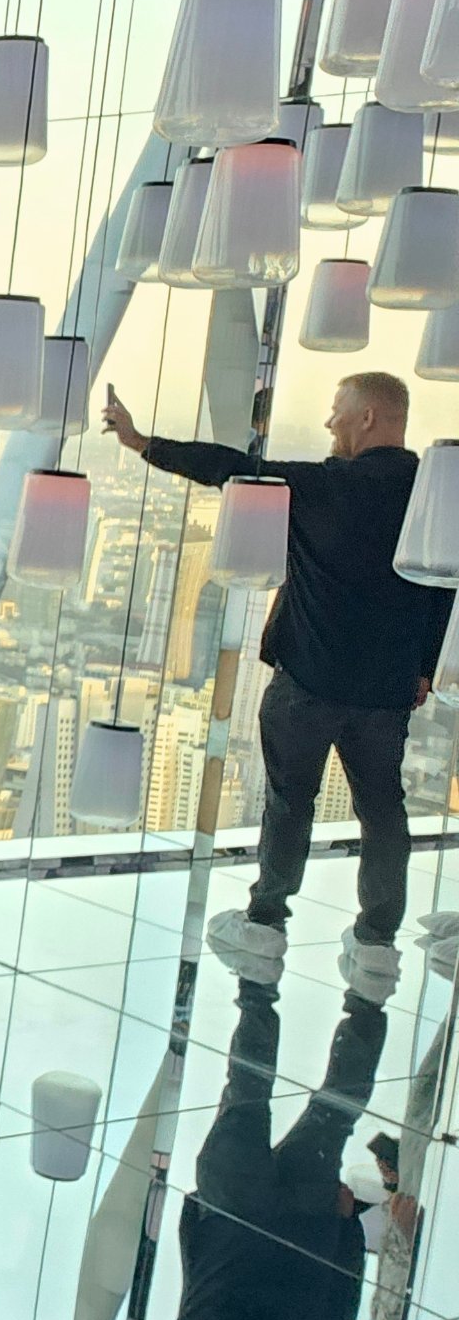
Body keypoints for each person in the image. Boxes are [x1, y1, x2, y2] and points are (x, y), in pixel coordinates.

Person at [102, 373, 452, 983]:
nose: (329, 422)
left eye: (337, 410)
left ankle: (265, 924)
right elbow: (444, 587)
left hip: (307, 681)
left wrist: (141, 442)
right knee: (382, 809)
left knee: (290, 802)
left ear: (368, 417)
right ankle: (377, 940)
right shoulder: (434, 496)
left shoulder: (323, 486)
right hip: (385, 692)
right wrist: (425, 666)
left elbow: (234, 469)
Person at [0, 974, 386, 1320]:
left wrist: (345, 1230)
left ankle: (370, 994)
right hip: (233, 1208)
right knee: (247, 1091)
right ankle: (259, 984)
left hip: (305, 1220)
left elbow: (342, 1308)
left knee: (333, 1113)